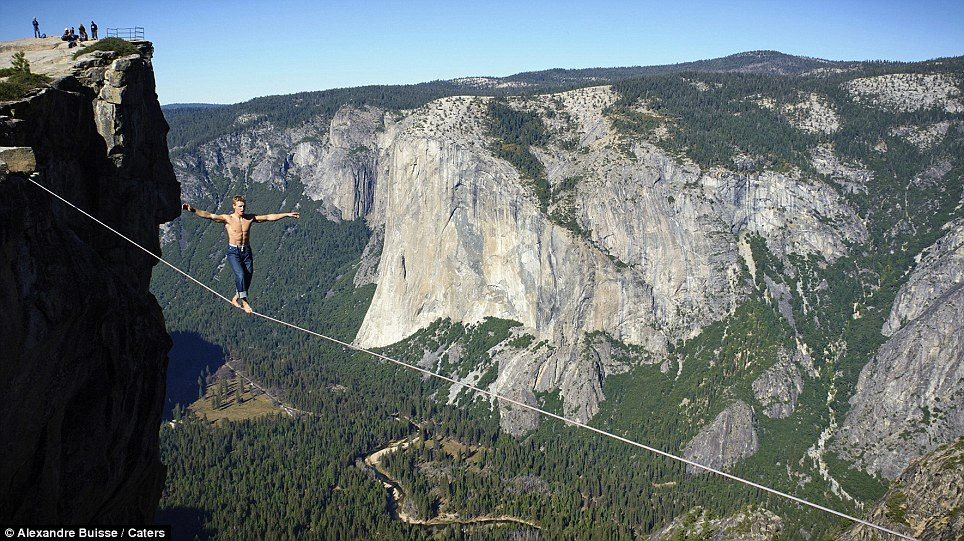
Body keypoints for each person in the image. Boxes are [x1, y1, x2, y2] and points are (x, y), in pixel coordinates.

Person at [181, 196, 300, 314]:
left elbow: (269, 217)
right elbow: (209, 215)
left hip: (247, 251)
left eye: (244, 206)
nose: (242, 208)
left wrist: (287, 214)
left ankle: (235, 298)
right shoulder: (228, 219)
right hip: (234, 252)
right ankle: (245, 301)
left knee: (248, 276)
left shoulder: (249, 218)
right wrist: (192, 209)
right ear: (234, 206)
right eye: (240, 206)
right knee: (241, 274)